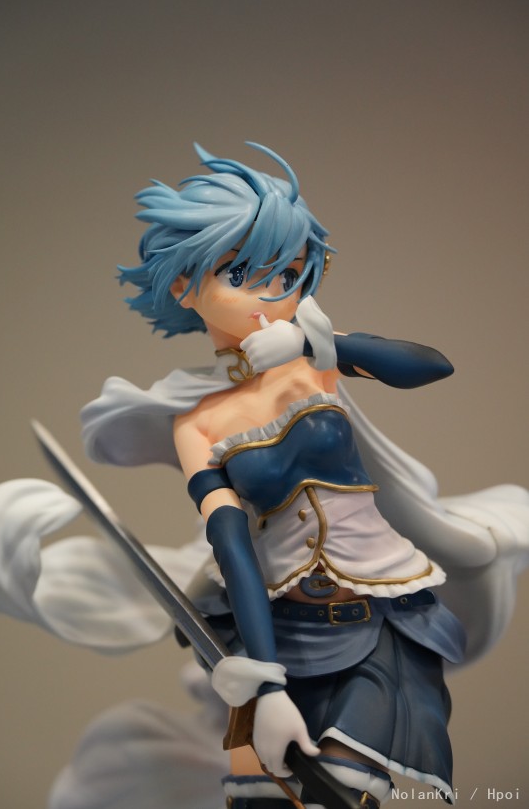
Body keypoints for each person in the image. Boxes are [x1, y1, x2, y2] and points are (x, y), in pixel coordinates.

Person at [82, 142, 466, 809]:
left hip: (381, 620)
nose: (272, 292)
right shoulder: (198, 424)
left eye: (289, 273)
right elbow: (233, 548)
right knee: (262, 799)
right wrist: (264, 681)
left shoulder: (313, 361)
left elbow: (431, 365)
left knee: (345, 790)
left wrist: (321, 344)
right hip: (280, 632)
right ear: (184, 287)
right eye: (242, 272)